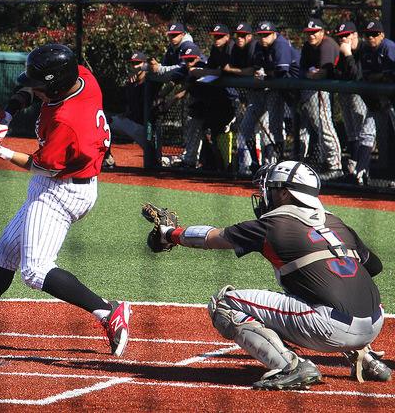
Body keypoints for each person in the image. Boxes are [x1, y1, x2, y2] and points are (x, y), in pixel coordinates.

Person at [0, 44, 131, 357]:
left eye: (40, 86)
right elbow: (30, 91)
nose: (34, 90)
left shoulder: (68, 122)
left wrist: (2, 152)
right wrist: (6, 115)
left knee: (35, 271)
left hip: (62, 191)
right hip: (57, 184)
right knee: (5, 251)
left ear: (55, 85)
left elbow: (40, 165)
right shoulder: (82, 78)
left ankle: (107, 312)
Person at [145, 160, 391, 390]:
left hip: (329, 327)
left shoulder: (273, 224)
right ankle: (367, 359)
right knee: (315, 286)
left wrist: (169, 233)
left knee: (224, 304)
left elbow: (210, 238)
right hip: (374, 322)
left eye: (272, 189)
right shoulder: (336, 222)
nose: (267, 195)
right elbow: (374, 267)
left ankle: (290, 366)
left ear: (285, 193)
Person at [241, 21, 300, 171]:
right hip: (271, 89)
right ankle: (257, 163)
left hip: (296, 89)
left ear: (274, 34)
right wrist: (261, 73)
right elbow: (257, 67)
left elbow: (281, 71)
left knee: (284, 127)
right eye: (261, 35)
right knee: (246, 126)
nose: (263, 38)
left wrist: (265, 74)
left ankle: (277, 162)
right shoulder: (260, 46)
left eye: (266, 35)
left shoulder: (280, 44)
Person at [173, 42, 236, 170]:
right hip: (207, 107)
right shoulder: (190, 70)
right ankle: (205, 163)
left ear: (198, 57)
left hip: (225, 105)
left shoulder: (202, 67)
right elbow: (185, 87)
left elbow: (217, 76)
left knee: (219, 136)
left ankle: (226, 166)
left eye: (191, 60)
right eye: (186, 60)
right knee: (204, 131)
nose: (188, 63)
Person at [299, 18, 344, 181]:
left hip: (326, 89)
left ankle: (335, 165)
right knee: (316, 126)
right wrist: (311, 74)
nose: (311, 35)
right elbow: (302, 70)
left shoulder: (327, 44)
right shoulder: (307, 46)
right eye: (309, 33)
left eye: (315, 32)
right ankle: (325, 162)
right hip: (313, 90)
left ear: (322, 32)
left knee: (325, 125)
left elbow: (324, 72)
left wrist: (313, 75)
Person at [333, 21, 376, 185]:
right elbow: (338, 73)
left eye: (346, 36)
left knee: (362, 134)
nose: (343, 39)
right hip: (347, 95)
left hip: (363, 97)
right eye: (340, 37)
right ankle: (353, 171)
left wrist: (349, 55)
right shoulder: (343, 51)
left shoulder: (363, 49)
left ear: (355, 35)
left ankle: (362, 172)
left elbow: (356, 75)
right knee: (352, 133)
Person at [221, 22, 267, 175]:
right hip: (253, 95)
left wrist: (234, 70)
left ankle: (271, 166)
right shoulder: (236, 48)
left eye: (243, 35)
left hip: (269, 94)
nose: (239, 38)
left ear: (249, 36)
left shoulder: (254, 46)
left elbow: (252, 71)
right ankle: (256, 163)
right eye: (238, 35)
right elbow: (234, 70)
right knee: (246, 129)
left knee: (269, 131)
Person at [105, 51, 157, 168]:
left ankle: (165, 160)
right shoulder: (131, 84)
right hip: (132, 125)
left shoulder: (150, 81)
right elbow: (130, 105)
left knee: (155, 159)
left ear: (144, 65)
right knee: (105, 121)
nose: (134, 66)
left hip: (145, 128)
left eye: (138, 63)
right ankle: (107, 158)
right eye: (132, 63)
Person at [359, 19, 395, 180]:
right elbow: (367, 77)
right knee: (367, 131)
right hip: (378, 100)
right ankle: (361, 172)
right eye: (368, 35)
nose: (371, 38)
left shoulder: (389, 47)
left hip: (392, 99)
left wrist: (380, 77)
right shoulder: (366, 49)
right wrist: (381, 77)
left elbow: (391, 75)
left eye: (374, 34)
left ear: (382, 35)